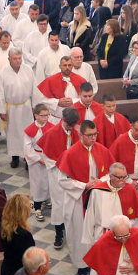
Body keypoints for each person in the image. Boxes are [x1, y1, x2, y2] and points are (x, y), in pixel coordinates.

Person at [56, 119, 115, 275]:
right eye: (89, 135)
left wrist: (100, 181)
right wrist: (84, 185)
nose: (93, 138)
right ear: (81, 135)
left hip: (97, 199)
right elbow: (62, 180)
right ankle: (82, 269)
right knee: (79, 233)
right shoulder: (71, 153)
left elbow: (110, 174)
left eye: (95, 134)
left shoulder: (102, 150)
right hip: (77, 200)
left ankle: (97, 264)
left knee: (96, 231)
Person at [37, 107, 81, 250]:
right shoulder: (52, 133)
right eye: (69, 125)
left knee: (74, 203)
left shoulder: (77, 132)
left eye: (73, 125)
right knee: (58, 203)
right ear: (63, 120)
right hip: (57, 172)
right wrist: (61, 166)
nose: (71, 128)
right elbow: (46, 155)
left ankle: (72, 231)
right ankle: (59, 233)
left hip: (74, 174)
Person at [0, 48, 37, 170]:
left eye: (19, 58)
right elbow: (0, 93)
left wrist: (34, 106)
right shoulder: (3, 73)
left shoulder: (28, 70)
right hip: (11, 108)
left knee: (28, 134)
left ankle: (28, 158)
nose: (18, 61)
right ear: (9, 59)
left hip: (26, 106)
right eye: (15, 59)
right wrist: (2, 110)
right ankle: (15, 157)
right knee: (13, 134)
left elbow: (34, 89)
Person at [0, 194, 36, 275]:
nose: (30, 209)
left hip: (7, 269)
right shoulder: (24, 235)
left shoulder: (5, 226)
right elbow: (30, 259)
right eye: (29, 206)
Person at [95, 18, 127, 82]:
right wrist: (100, 60)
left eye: (107, 25)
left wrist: (108, 63)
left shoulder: (121, 39)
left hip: (114, 68)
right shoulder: (105, 36)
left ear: (113, 27)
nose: (105, 27)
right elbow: (99, 50)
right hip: (103, 67)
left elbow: (120, 54)